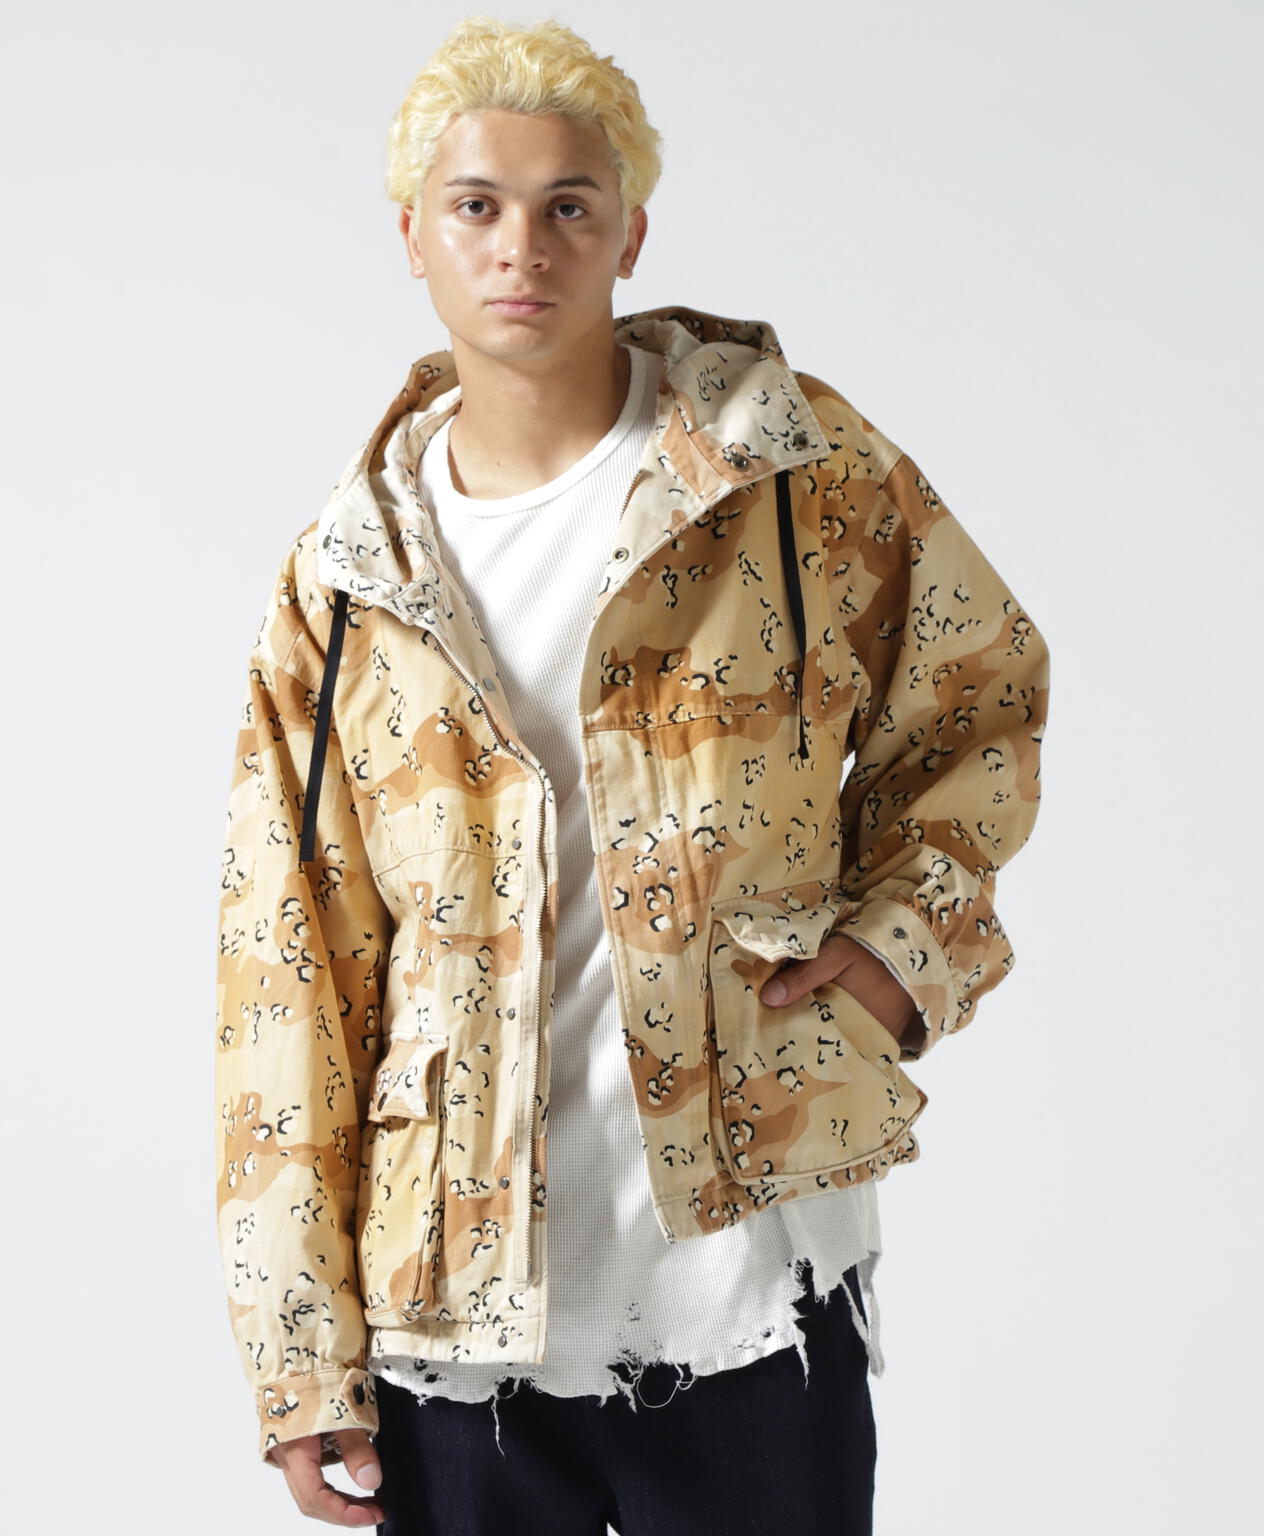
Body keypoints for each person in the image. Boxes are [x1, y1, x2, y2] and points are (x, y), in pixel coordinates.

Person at [213, 15, 1051, 1534]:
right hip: (453, 1318)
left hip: (752, 1278)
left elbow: (976, 699)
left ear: (630, 232)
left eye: (568, 205)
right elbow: (288, 975)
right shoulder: (346, 585)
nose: (521, 246)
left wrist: (900, 946)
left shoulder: (786, 475)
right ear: (412, 234)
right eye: (477, 204)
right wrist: (297, 1353)